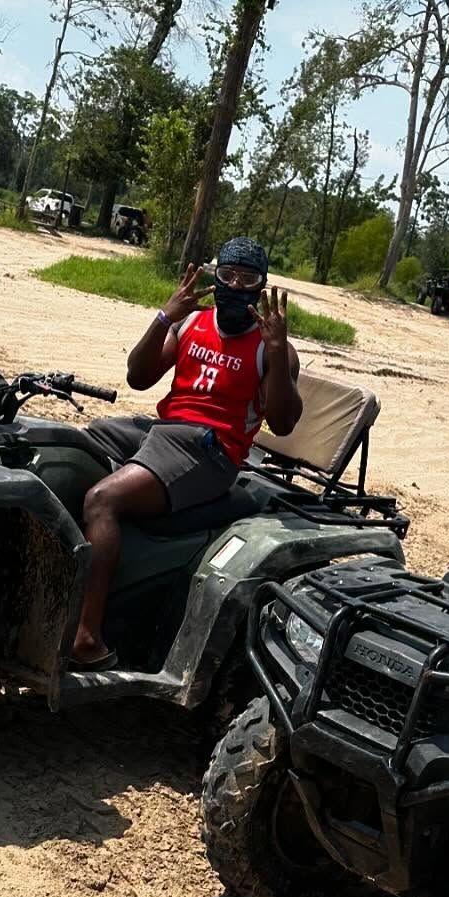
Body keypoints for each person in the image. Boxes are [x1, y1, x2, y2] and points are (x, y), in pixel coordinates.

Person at [70, 236, 303, 670]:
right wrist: (164, 317)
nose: (235, 285)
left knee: (103, 500)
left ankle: (86, 637)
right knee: (74, 448)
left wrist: (274, 351)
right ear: (215, 278)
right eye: (227, 275)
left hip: (211, 451)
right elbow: (138, 378)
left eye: (247, 279)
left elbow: (284, 422)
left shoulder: (272, 347)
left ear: (261, 286)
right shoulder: (192, 324)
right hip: (162, 430)